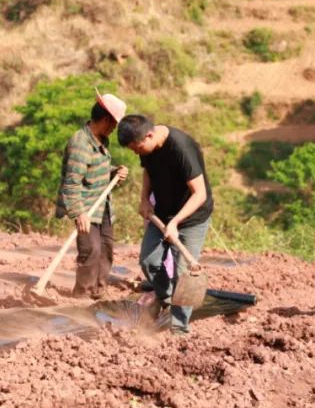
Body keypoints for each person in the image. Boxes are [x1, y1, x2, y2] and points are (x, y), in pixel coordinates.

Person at [117, 115, 213, 336]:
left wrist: (176, 222)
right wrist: (144, 199)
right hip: (162, 213)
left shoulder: (182, 148)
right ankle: (166, 297)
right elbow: (148, 171)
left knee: (183, 273)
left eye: (138, 148)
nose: (136, 153)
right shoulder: (147, 147)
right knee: (148, 260)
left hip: (192, 217)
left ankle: (179, 329)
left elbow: (200, 194)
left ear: (149, 135)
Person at [55, 90, 129, 299]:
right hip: (86, 207)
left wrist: (115, 172)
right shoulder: (81, 144)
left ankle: (99, 291)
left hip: (102, 205)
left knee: (106, 248)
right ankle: (83, 295)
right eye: (114, 124)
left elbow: (95, 170)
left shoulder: (101, 141)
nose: (114, 129)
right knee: (91, 250)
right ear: (105, 120)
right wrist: (79, 213)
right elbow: (72, 182)